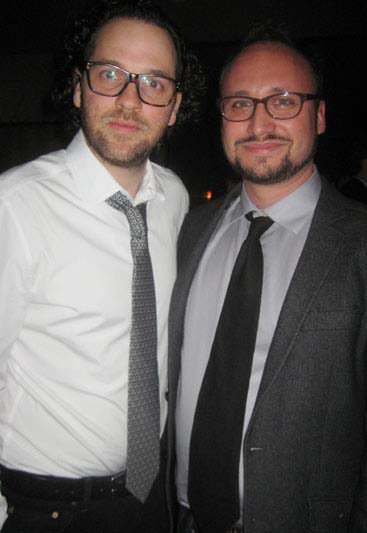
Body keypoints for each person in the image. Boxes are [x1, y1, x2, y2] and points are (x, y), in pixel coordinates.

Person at [167, 25, 367, 533]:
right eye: (240, 104)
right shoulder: (188, 230)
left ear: (319, 115)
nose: (259, 122)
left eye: (283, 101)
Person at [0, 1, 202, 531]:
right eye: (111, 74)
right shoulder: (15, 206)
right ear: (78, 87)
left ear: (174, 106)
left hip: (147, 499)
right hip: (43, 509)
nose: (131, 100)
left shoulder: (175, 199)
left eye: (154, 83)